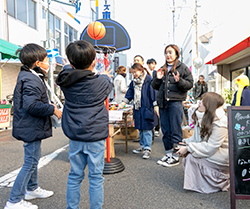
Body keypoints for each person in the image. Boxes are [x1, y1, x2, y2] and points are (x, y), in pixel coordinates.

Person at [55, 40, 113, 209]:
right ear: (93, 62)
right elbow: (105, 80)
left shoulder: (65, 79)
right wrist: (103, 74)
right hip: (95, 136)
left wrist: (70, 65)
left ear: (71, 63)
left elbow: (67, 69)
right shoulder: (102, 82)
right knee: (95, 178)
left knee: (74, 175)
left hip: (75, 134)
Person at [4, 44, 62, 209]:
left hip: (30, 126)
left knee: (33, 160)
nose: (47, 63)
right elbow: (32, 106)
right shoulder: (31, 78)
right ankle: (14, 201)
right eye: (45, 60)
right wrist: (53, 109)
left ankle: (32, 188)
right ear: (37, 62)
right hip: (31, 126)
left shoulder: (29, 75)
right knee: (30, 162)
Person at [176, 92, 230, 194]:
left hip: (221, 156)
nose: (199, 103)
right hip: (212, 152)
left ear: (209, 105)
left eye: (202, 102)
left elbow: (211, 147)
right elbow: (196, 138)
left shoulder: (221, 122)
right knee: (188, 154)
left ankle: (219, 182)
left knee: (191, 157)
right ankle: (199, 182)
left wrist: (188, 148)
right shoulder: (202, 115)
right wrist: (185, 143)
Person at [151, 44, 193, 167]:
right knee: (165, 130)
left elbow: (190, 84)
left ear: (176, 54)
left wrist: (179, 81)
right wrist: (158, 79)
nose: (168, 55)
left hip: (175, 103)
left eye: (170, 52)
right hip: (163, 103)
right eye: (166, 53)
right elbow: (154, 86)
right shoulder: (162, 68)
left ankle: (176, 156)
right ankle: (168, 154)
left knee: (176, 130)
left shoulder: (183, 68)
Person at [118, 63, 158, 159]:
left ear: (141, 70)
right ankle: (142, 146)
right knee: (140, 128)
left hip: (147, 107)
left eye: (135, 72)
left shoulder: (149, 80)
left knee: (147, 129)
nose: (134, 74)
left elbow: (154, 93)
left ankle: (147, 149)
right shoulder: (133, 82)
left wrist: (156, 105)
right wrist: (123, 103)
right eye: (133, 73)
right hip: (138, 108)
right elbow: (129, 93)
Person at [147, 58, 160, 137]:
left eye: (154, 64)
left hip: (156, 94)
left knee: (157, 113)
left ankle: (157, 129)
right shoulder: (146, 73)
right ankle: (151, 130)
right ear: (148, 64)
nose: (153, 65)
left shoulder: (156, 73)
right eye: (152, 64)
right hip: (148, 96)